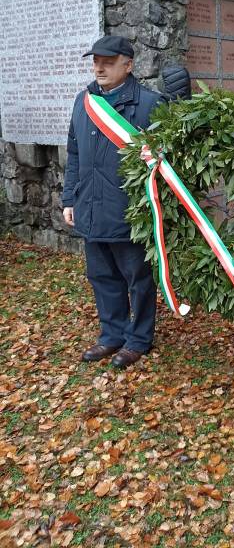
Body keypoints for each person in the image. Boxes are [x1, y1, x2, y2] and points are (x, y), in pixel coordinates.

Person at [62, 36, 164, 368]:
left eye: (108, 60)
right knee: (102, 276)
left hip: (128, 211)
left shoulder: (149, 104)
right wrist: (69, 198)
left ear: (128, 65)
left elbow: (167, 157)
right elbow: (74, 154)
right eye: (95, 61)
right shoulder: (84, 101)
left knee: (138, 278)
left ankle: (138, 339)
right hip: (90, 205)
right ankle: (112, 334)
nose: (99, 67)